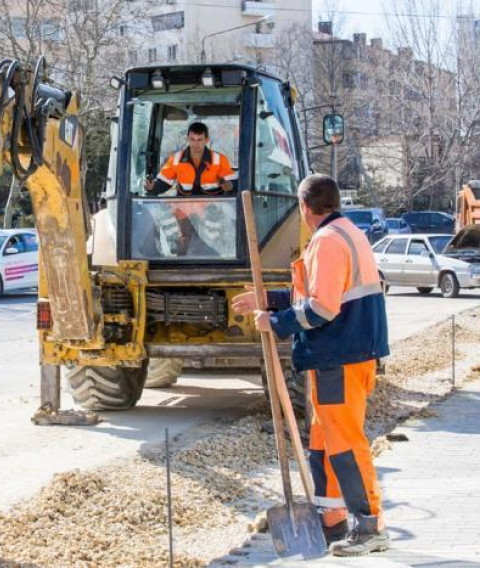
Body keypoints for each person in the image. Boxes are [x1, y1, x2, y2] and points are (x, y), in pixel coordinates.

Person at [231, 174, 390, 557]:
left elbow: (322, 308)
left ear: (304, 207)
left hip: (340, 355)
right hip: (343, 353)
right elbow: (314, 293)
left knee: (345, 443)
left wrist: (276, 323)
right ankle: (332, 517)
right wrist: (268, 299)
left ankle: (370, 525)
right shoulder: (348, 232)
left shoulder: (328, 242)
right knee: (324, 441)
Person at [144, 121, 236, 196]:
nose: (196, 145)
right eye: (192, 139)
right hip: (184, 211)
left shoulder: (220, 159)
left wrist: (230, 186)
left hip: (213, 210)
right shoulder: (175, 159)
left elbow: (232, 182)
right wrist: (153, 187)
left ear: (207, 140)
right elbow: (163, 182)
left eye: (200, 140)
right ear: (187, 139)